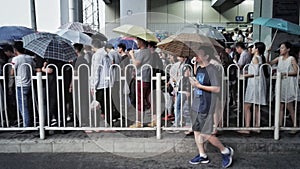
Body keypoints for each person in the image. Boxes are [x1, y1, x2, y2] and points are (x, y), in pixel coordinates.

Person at [188, 46, 234, 168]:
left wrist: (199, 86)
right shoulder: (199, 68)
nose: (196, 55)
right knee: (197, 131)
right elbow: (199, 83)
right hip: (197, 103)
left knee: (206, 133)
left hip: (207, 104)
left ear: (206, 56)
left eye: (199, 53)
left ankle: (225, 151)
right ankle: (202, 155)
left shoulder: (212, 69)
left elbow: (217, 88)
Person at [267, 41, 298, 130]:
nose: (281, 49)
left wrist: (284, 73)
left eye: (283, 48)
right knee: (280, 105)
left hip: (289, 83)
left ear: (288, 49)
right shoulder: (279, 58)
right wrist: (268, 53)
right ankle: (279, 125)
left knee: (290, 106)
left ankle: (295, 126)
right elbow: (268, 63)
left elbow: (296, 71)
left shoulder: (291, 58)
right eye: (280, 48)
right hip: (281, 84)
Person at [239, 42, 267, 134]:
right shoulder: (260, 57)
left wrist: (244, 75)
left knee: (247, 105)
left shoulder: (255, 58)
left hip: (254, 84)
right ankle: (257, 126)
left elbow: (255, 72)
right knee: (256, 106)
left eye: (253, 47)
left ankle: (247, 127)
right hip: (257, 83)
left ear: (257, 49)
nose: (252, 49)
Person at [91, 38, 116, 127]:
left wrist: (93, 85)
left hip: (100, 84)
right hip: (108, 83)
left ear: (93, 46)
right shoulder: (108, 54)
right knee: (108, 104)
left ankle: (97, 124)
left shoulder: (97, 55)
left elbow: (96, 71)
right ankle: (110, 123)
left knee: (97, 106)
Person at [128, 37, 153, 128]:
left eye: (138, 41)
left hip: (142, 79)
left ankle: (139, 122)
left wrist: (132, 55)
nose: (137, 43)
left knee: (140, 100)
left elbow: (136, 64)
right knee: (148, 99)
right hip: (147, 78)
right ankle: (154, 120)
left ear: (142, 42)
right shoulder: (148, 51)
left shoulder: (142, 52)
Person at [11, 41, 34, 128]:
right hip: (29, 83)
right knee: (29, 105)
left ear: (15, 49)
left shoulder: (15, 59)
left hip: (20, 84)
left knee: (23, 106)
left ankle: (26, 125)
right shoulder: (29, 58)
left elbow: (12, 73)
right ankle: (30, 121)